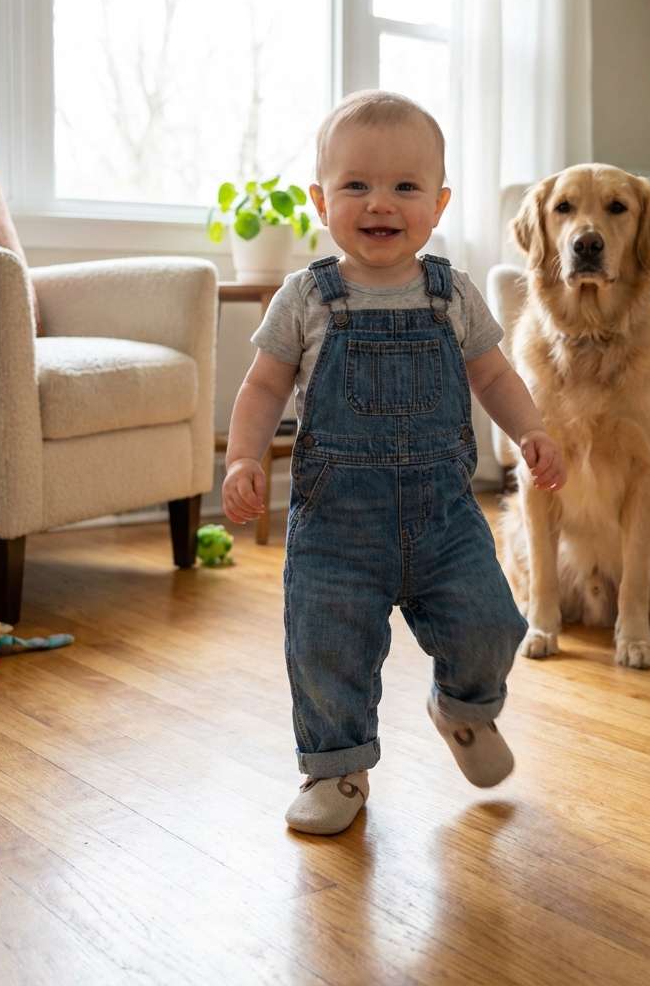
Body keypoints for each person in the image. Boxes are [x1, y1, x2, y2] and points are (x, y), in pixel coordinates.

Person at [222, 90, 565, 835]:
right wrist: (243, 457)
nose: (381, 203)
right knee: (327, 647)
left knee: (490, 623)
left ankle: (464, 710)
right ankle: (338, 769)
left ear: (438, 204)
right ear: (320, 200)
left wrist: (531, 430)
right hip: (338, 529)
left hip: (444, 518)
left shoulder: (454, 296)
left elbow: (496, 377)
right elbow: (263, 385)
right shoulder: (307, 298)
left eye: (405, 186)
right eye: (356, 185)